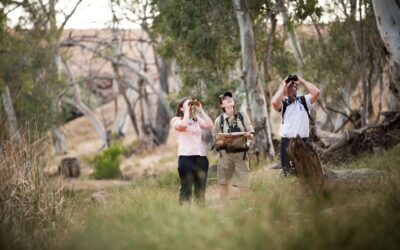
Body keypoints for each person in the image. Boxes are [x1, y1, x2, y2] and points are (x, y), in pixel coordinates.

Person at [271, 74, 320, 176]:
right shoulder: (283, 103)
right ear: (284, 91)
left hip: (303, 141)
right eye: (289, 86)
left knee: (306, 170)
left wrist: (301, 80)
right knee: (288, 172)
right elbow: (274, 102)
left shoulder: (304, 100)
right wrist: (284, 84)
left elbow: (316, 92)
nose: (292, 87)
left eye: (294, 86)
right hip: (287, 142)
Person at [170, 98, 214, 204]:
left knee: (200, 191)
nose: (191, 106)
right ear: (181, 107)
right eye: (188, 104)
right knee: (186, 190)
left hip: (201, 158)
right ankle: (184, 216)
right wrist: (186, 111)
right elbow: (184, 125)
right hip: (186, 158)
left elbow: (209, 124)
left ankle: (201, 216)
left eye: (191, 104)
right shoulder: (176, 120)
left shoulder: (196, 119)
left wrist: (201, 110)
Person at [213, 91, 255, 200]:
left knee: (244, 184)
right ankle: (224, 207)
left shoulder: (242, 116)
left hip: (242, 154)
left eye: (230, 97)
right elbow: (216, 142)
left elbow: (252, 134)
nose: (228, 99)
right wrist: (226, 140)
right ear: (222, 105)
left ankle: (244, 208)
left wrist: (248, 139)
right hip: (225, 155)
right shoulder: (219, 121)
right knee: (224, 183)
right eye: (225, 98)